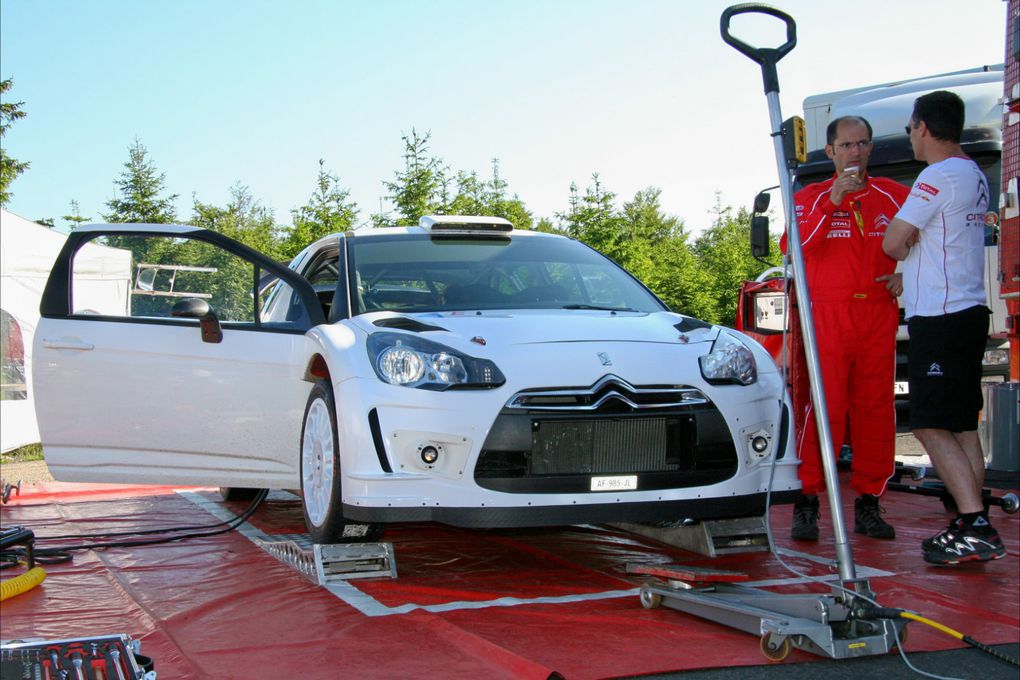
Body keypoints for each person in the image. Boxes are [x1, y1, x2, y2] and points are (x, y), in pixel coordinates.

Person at [882, 90, 1005, 565]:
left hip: (943, 317)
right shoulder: (972, 173)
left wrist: (905, 245)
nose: (911, 137)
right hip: (967, 311)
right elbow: (936, 244)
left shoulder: (936, 175)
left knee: (930, 425)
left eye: (911, 129)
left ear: (924, 127)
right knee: (961, 426)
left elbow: (893, 242)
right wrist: (910, 266)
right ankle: (967, 518)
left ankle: (975, 523)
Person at [780, 115, 909, 541]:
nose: (855, 151)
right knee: (822, 409)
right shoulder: (810, 197)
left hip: (876, 313)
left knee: (875, 410)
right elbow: (791, 248)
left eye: (863, 144)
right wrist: (832, 201)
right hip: (826, 318)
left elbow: (933, 237)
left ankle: (869, 501)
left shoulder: (893, 195)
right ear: (831, 151)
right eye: (847, 145)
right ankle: (808, 501)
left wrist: (907, 276)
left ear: (871, 148)